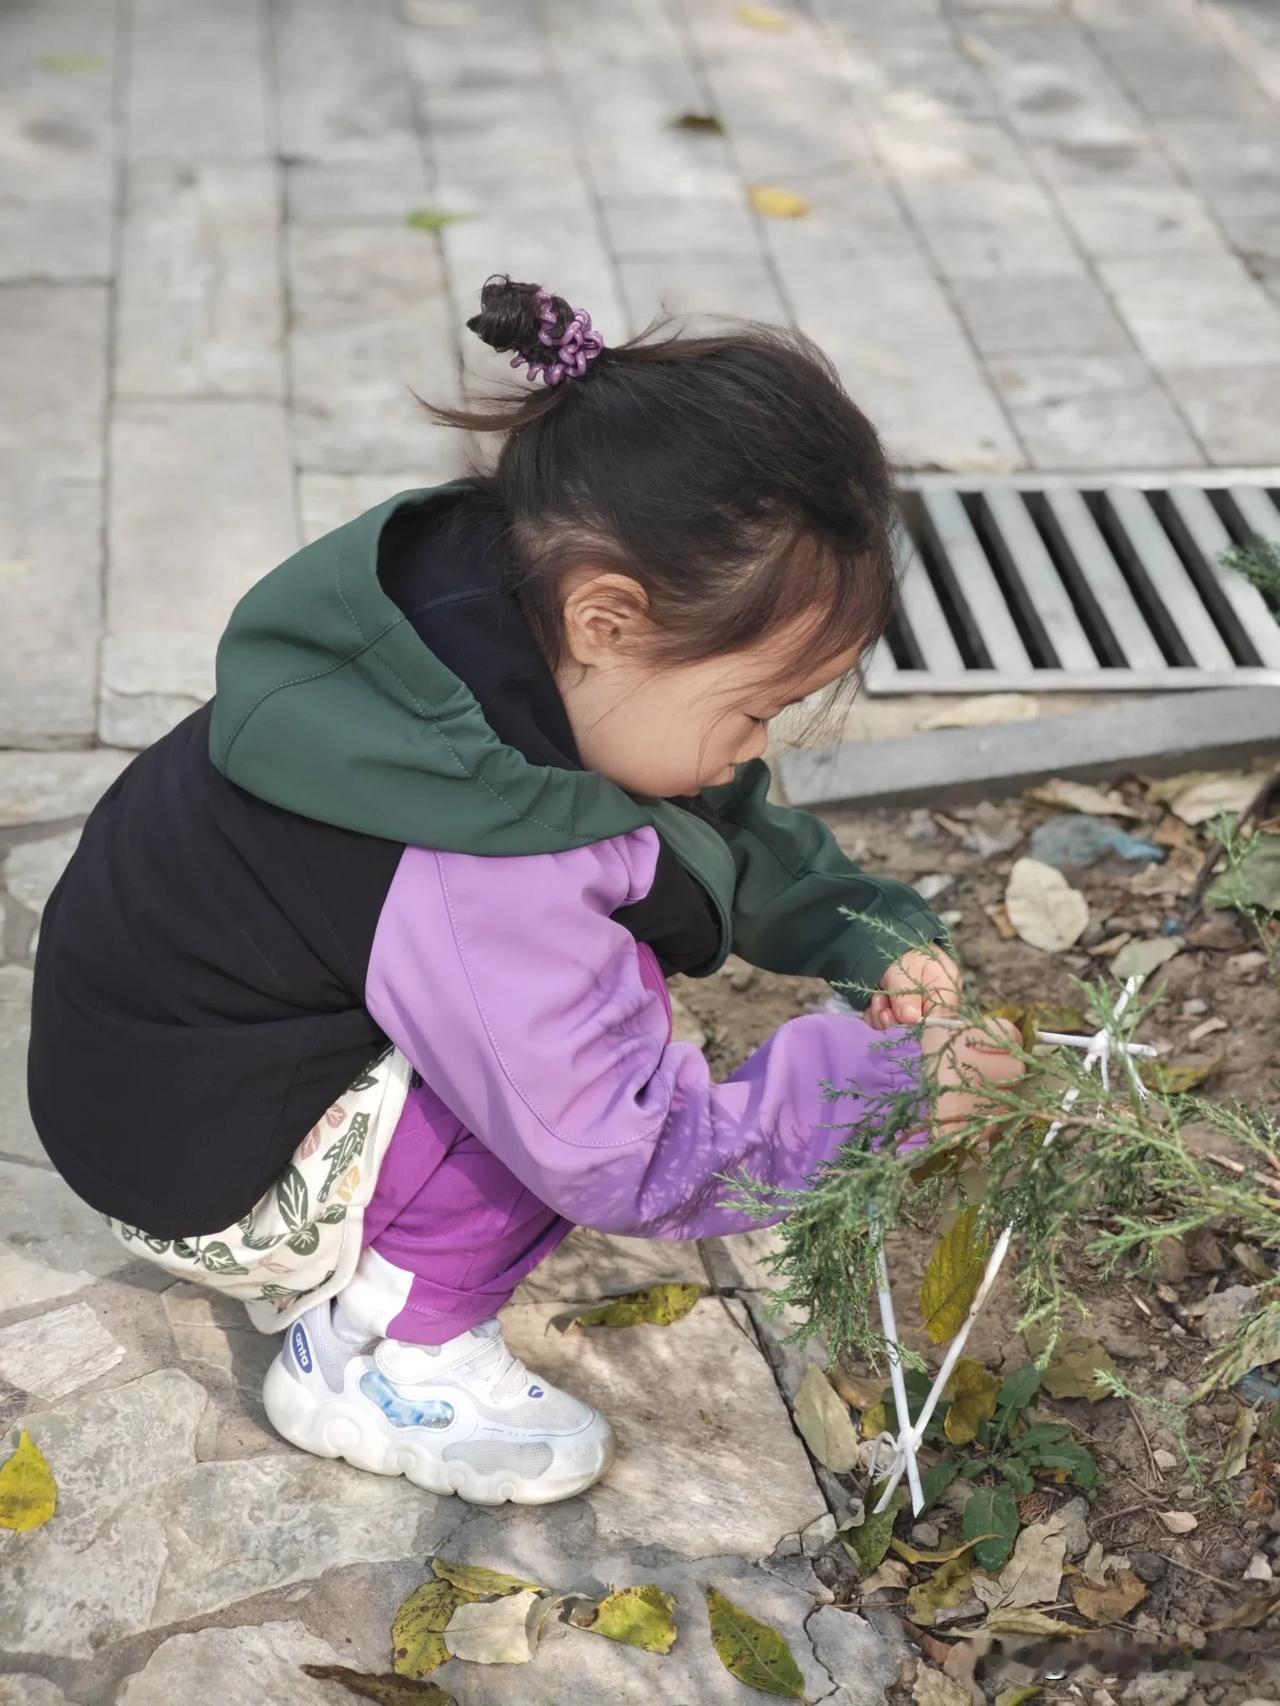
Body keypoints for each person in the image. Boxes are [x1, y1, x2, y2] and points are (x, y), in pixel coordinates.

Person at [28, 277, 1020, 1508]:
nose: (757, 745)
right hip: (199, 1172)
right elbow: (614, 1150)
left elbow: (699, 816)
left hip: (147, 1079)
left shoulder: (473, 625)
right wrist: (888, 1092)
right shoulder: (481, 862)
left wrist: (862, 929)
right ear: (608, 617)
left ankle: (382, 1282)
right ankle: (385, 1356)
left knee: (583, 955)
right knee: (571, 1038)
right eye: (756, 704)